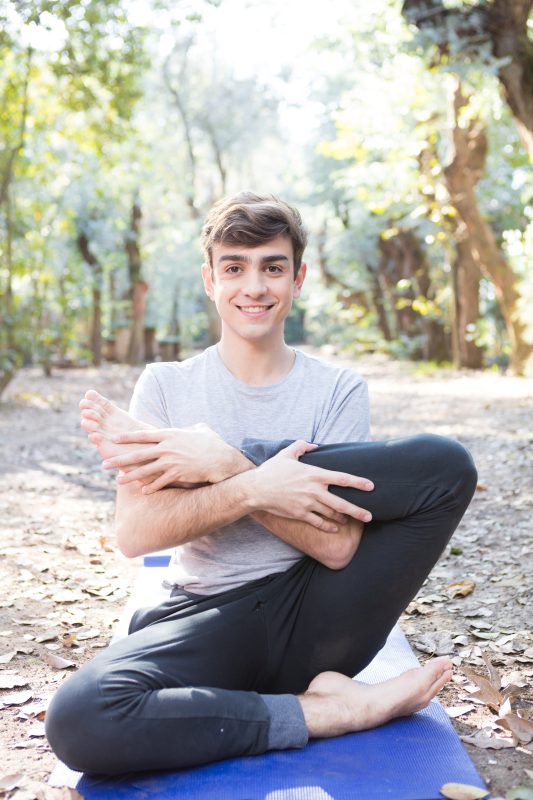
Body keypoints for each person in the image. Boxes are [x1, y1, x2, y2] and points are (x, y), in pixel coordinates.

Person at [45, 192, 477, 775]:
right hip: (204, 618)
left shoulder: (337, 389)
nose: (254, 287)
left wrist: (221, 460)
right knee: (80, 717)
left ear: (297, 278)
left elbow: (337, 545)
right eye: (235, 268)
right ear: (210, 279)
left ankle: (319, 686)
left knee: (445, 464)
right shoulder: (166, 386)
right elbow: (135, 533)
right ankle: (329, 711)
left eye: (272, 267)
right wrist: (251, 489)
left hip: (320, 617)